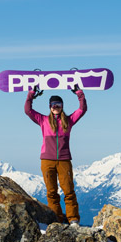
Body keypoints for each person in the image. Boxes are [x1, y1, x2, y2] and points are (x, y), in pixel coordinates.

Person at [25, 86, 87, 225]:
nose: (56, 107)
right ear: (50, 107)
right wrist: (31, 94)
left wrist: (79, 93)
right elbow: (28, 110)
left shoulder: (69, 121)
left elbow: (82, 109)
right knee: (51, 193)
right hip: (47, 160)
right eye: (53, 105)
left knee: (69, 191)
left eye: (58, 105)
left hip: (64, 160)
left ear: (62, 106)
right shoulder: (43, 120)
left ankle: (73, 219)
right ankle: (56, 220)